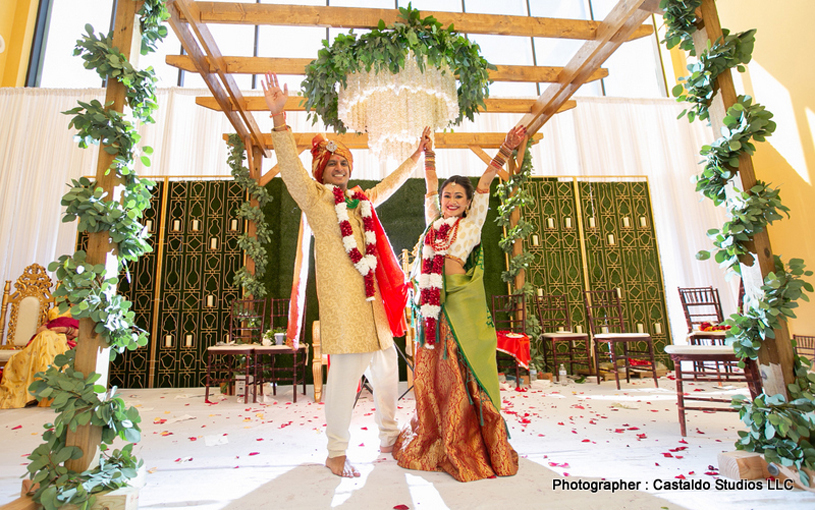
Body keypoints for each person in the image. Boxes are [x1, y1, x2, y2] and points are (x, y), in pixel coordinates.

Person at [262, 72, 433, 478]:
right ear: (321, 171)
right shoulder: (317, 200)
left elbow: (389, 185)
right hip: (345, 310)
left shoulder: (360, 202)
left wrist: (415, 155)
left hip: (374, 313)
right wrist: (279, 120)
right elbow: (290, 169)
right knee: (343, 384)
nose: (339, 167)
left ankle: (389, 439)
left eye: (344, 163)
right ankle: (336, 452)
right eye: (332, 163)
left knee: (389, 374)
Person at [392, 125, 526, 482]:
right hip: (435, 309)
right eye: (448, 196)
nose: (451, 201)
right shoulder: (433, 224)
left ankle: (471, 438)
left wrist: (505, 149)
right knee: (440, 373)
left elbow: (484, 185)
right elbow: (430, 188)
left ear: (468, 204)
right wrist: (428, 153)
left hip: (461, 302)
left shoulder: (472, 225)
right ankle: (441, 433)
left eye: (458, 198)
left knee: (464, 371)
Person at [0, 306, 77, 409]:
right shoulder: (56, 309)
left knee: (47, 339)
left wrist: (64, 330)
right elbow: (41, 329)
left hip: (67, 341)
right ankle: (39, 391)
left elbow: (84, 333)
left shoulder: (87, 309)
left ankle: (46, 390)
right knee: (45, 337)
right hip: (45, 338)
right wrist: (48, 331)